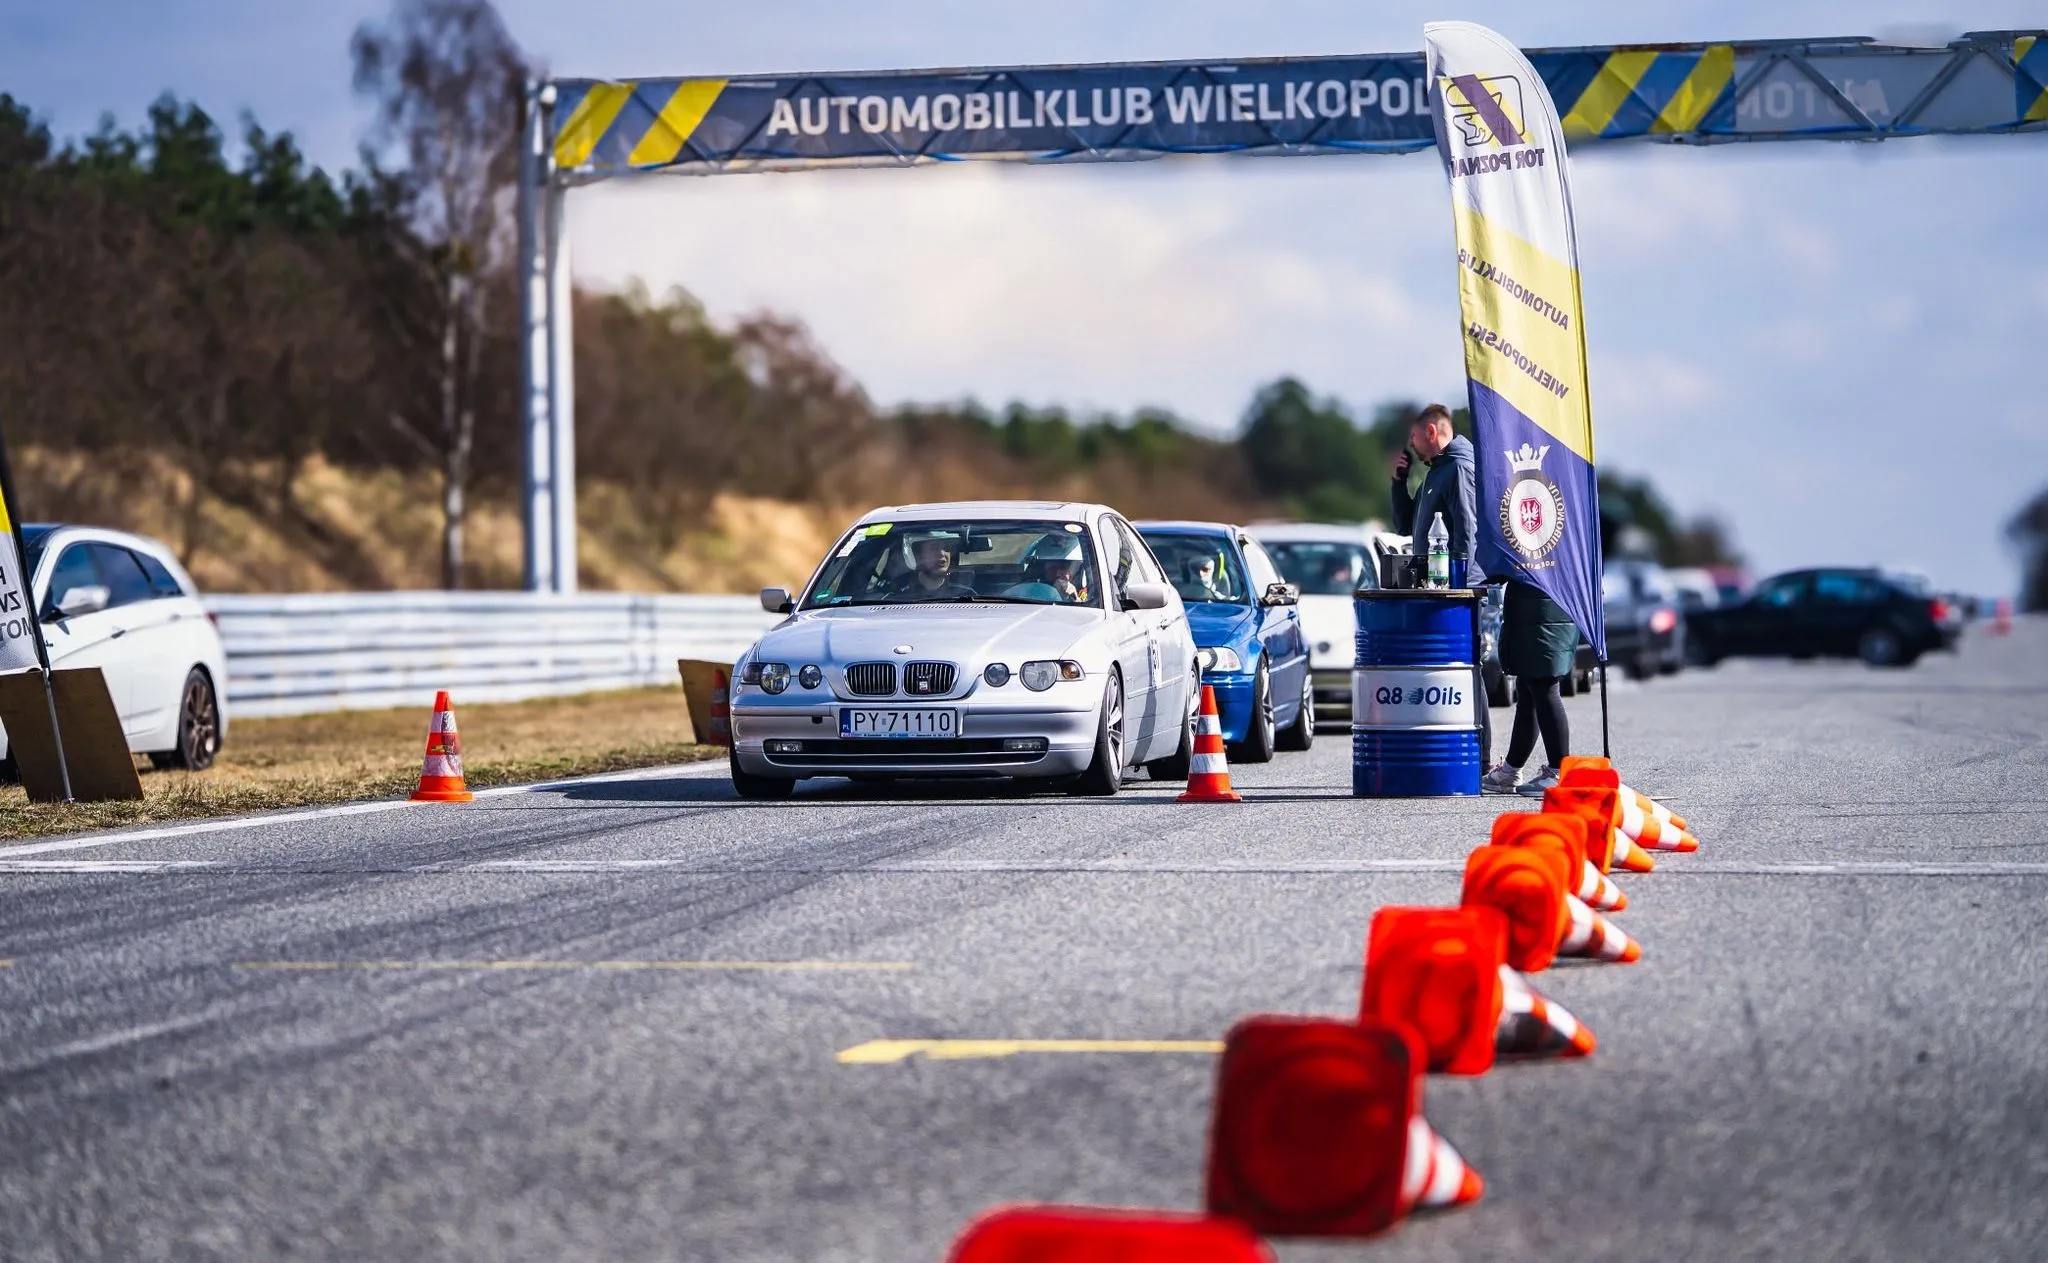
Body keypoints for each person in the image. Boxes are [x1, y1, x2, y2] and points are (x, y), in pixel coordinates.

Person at [1481, 580, 1578, 796]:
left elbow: (1503, 563)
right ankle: (1511, 770)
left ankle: (1559, 771)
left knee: (1544, 686)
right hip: (1547, 606)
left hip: (1541, 611)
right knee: (1529, 688)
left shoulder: (1534, 545)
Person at [1390, 403, 1482, 583]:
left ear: (1431, 432)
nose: (1410, 443)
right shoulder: (1435, 474)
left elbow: (1468, 535)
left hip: (1459, 594)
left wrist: (1460, 588)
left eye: (1414, 436)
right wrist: (1399, 484)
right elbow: (1405, 526)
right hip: (1438, 589)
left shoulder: (1459, 469)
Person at [1003, 534, 1089, 603]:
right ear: (1043, 568)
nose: (1057, 573)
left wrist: (1073, 598)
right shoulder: (1026, 590)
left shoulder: (1094, 591)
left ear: (1077, 569)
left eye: (1063, 567)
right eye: (1052, 568)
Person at [890, 534, 975, 600]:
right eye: (934, 547)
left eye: (946, 547)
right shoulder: (896, 597)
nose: (942, 554)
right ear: (918, 554)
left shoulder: (967, 595)